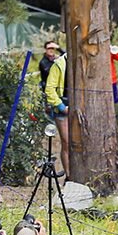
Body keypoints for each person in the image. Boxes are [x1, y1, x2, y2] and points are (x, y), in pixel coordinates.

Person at [39, 39, 69, 167]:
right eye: (49, 49)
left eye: (53, 49)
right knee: (66, 141)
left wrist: (59, 48)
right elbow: (49, 88)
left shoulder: (58, 59)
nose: (51, 51)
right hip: (56, 101)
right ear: (45, 50)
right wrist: (61, 106)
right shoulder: (46, 63)